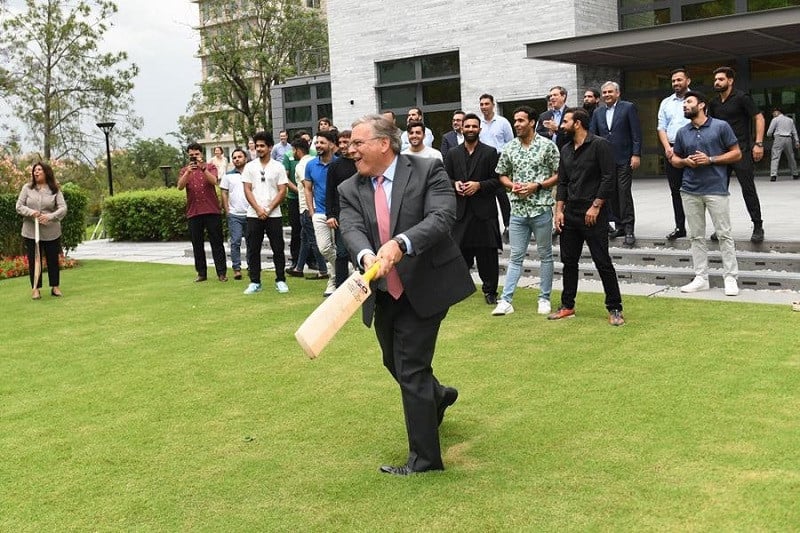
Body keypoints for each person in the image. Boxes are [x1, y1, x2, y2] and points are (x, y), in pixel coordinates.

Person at [338, 114, 475, 475]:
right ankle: (439, 396)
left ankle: (425, 461)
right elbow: (350, 229)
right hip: (384, 292)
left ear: (384, 143)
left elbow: (443, 216)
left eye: (358, 143)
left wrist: (401, 243)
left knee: (412, 368)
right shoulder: (349, 188)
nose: (351, 150)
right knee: (393, 362)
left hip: (427, 285)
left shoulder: (429, 169)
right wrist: (368, 255)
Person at [550, 108, 625, 326]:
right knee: (569, 262)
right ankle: (567, 306)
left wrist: (596, 206)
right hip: (570, 214)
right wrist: (559, 211)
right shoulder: (565, 149)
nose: (562, 125)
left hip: (594, 214)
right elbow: (562, 182)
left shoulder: (600, 145)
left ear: (578, 123)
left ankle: (615, 308)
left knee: (603, 262)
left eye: (565, 121)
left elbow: (609, 178)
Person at [670, 91, 742, 296]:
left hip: (716, 189)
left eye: (689, 102)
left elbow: (737, 153)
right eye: (683, 103)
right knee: (695, 236)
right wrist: (685, 162)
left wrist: (710, 159)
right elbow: (675, 159)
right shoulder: (683, 132)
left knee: (724, 234)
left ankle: (730, 278)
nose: (685, 106)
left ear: (701, 105)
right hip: (689, 190)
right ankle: (701, 278)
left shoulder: (721, 126)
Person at [491, 106, 559, 316]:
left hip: (541, 209)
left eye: (521, 120)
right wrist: (513, 186)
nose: (517, 124)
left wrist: (537, 186)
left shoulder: (547, 146)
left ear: (532, 122)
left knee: (545, 255)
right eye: (515, 121)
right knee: (515, 257)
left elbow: (559, 174)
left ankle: (544, 298)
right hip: (518, 210)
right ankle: (505, 301)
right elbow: (501, 174)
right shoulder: (510, 147)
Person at [443, 112, 502, 304]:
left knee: (488, 256)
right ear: (461, 128)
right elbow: (445, 179)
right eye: (467, 126)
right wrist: (455, 185)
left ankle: (490, 291)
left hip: (484, 213)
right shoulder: (453, 153)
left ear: (479, 129)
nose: (470, 129)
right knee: (458, 255)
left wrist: (479, 185)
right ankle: (457, 291)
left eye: (474, 126)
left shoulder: (490, 152)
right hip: (461, 213)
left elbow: (497, 181)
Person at [708, 66, 766, 243]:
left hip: (741, 151)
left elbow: (759, 118)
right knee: (718, 193)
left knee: (748, 190)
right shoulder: (714, 103)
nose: (717, 82)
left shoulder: (742, 98)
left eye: (721, 79)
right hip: (721, 154)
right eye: (716, 79)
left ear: (730, 81)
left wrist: (759, 143)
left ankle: (757, 226)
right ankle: (720, 229)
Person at [589, 81, 642, 246]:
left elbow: (636, 133)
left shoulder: (628, 107)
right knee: (611, 194)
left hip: (625, 158)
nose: (606, 95)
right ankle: (618, 225)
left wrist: (636, 154)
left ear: (617, 93)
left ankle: (628, 228)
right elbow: (593, 135)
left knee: (624, 192)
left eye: (610, 92)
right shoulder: (598, 112)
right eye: (604, 92)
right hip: (605, 160)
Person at [241, 131, 289, 295]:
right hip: (254, 215)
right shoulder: (249, 166)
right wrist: (258, 209)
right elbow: (247, 190)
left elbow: (282, 190)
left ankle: (280, 280)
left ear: (270, 147)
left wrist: (268, 209)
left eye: (262, 146)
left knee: (278, 248)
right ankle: (255, 281)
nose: (259, 149)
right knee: (253, 249)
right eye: (257, 146)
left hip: (273, 214)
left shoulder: (278, 166)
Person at [15, 162, 67, 299]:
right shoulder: (27, 188)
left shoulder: (54, 189)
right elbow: (19, 206)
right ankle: (35, 289)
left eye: (39, 170)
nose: (36, 172)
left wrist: (50, 217)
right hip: (31, 231)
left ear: (46, 172)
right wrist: (31, 212)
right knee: (34, 260)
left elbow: (63, 208)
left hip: (51, 231)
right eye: (35, 170)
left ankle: (55, 287)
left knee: (52, 260)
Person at [177, 142, 227, 283]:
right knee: (197, 244)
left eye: (196, 154)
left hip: (212, 210)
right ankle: (201, 273)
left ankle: (221, 273)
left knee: (217, 242)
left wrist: (202, 168)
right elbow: (180, 186)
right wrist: (188, 172)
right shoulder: (184, 170)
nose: (194, 157)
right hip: (194, 212)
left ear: (202, 154)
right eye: (191, 155)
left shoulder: (210, 167)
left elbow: (214, 181)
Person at [286, 137, 329, 279]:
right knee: (304, 238)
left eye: (293, 149)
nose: (292, 152)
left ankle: (323, 270)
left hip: (307, 207)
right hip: (315, 205)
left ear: (297, 150)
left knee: (313, 240)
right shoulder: (315, 161)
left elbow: (307, 186)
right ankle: (298, 268)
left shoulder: (301, 166)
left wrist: (310, 209)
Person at [657, 68, 692, 240]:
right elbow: (661, 127)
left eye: (679, 80)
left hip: (692, 147)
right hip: (672, 148)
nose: (676, 83)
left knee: (696, 189)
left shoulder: (696, 100)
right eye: (673, 81)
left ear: (688, 81)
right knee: (676, 190)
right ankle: (680, 227)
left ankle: (697, 226)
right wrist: (667, 148)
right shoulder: (666, 103)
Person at [305, 130, 339, 296]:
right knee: (325, 248)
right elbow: (308, 188)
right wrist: (311, 211)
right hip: (319, 213)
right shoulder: (310, 165)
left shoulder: (339, 164)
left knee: (338, 248)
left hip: (338, 213)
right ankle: (345, 267)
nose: (318, 145)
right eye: (316, 143)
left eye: (322, 142)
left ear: (332, 145)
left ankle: (332, 282)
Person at [325, 130, 357, 288]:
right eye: (341, 142)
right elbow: (329, 191)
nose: (343, 146)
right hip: (341, 216)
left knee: (361, 252)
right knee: (342, 253)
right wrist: (330, 215)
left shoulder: (362, 162)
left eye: (347, 142)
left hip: (363, 215)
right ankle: (340, 288)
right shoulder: (334, 165)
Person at [220, 148, 249, 280]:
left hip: (250, 214)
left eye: (239, 157)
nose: (237, 159)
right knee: (235, 242)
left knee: (252, 242)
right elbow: (224, 193)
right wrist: (227, 210)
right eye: (234, 157)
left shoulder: (251, 173)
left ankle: (252, 266)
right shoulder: (228, 176)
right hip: (235, 215)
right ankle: (236, 269)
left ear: (245, 158)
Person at [766, 107, 799, 181]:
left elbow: (770, 131)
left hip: (779, 137)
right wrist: (797, 141)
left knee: (775, 156)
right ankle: (795, 173)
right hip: (788, 138)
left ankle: (773, 175)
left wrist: (769, 136)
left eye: (774, 112)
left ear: (777, 112)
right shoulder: (790, 120)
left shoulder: (775, 119)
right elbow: (794, 131)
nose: (773, 114)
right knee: (791, 156)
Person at [536, 86, 571, 151]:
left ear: (563, 97)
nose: (552, 98)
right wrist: (549, 133)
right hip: (548, 153)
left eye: (555, 95)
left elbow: (573, 134)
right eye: (550, 96)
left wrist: (557, 129)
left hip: (566, 153)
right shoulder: (544, 116)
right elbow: (537, 135)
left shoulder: (571, 113)